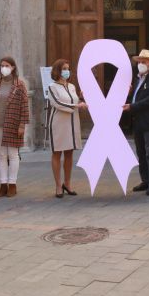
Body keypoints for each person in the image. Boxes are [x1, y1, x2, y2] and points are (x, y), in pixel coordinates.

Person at [125, 49, 149, 196]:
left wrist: (132, 106)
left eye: (144, 62)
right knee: (141, 153)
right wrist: (129, 99)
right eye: (139, 62)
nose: (141, 64)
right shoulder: (138, 79)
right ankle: (145, 180)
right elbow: (135, 98)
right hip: (138, 122)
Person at [0, 57, 30, 197]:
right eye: (2, 65)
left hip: (13, 123)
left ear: (13, 67)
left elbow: (24, 105)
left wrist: (22, 124)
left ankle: (12, 184)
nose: (3, 68)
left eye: (6, 65)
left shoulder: (20, 84)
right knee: (1, 155)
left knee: (13, 155)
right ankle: (3, 184)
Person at [47, 59, 86, 198]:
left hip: (72, 123)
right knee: (57, 153)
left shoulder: (72, 86)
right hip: (58, 124)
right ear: (58, 70)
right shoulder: (52, 87)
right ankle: (58, 185)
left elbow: (73, 101)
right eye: (64, 68)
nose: (67, 71)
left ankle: (67, 183)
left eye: (68, 68)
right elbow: (57, 103)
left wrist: (80, 99)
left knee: (69, 153)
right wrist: (77, 106)